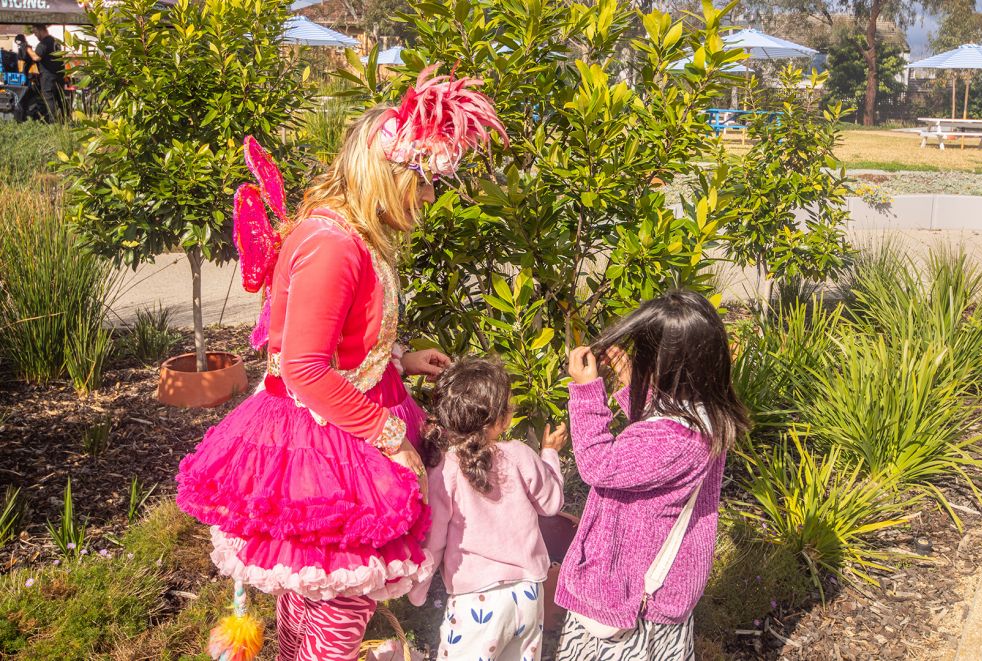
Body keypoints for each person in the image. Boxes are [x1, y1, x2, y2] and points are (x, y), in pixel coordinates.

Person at [176, 65, 507, 661]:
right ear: (389, 174)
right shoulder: (335, 245)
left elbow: (330, 340)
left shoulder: (350, 233)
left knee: (313, 599)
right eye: (426, 181)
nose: (431, 197)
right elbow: (304, 367)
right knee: (338, 606)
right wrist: (390, 438)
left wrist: (399, 359)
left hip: (334, 427)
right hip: (327, 445)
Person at [554, 290, 750, 661]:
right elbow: (647, 451)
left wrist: (586, 392)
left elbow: (599, 464)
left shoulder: (674, 438)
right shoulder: (704, 415)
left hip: (633, 600)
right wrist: (631, 386)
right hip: (658, 588)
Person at [408, 358, 567, 661]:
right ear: (501, 418)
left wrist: (418, 589)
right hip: (528, 594)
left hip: (476, 600)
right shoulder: (521, 454)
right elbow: (551, 503)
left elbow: (435, 538)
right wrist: (549, 454)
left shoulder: (445, 469)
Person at [25, 25, 66, 122]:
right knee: (60, 99)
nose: (35, 35)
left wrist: (27, 48)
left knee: (49, 98)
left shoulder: (44, 43)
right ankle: (65, 121)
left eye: (35, 32)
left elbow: (36, 57)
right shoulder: (55, 41)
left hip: (48, 76)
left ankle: (53, 123)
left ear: (41, 30)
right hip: (59, 75)